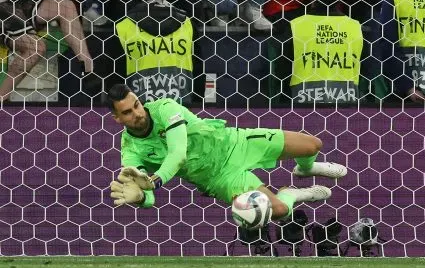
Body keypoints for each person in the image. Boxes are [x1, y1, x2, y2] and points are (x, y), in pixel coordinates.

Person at [106, 84, 347, 223]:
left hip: (235, 142)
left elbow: (178, 153)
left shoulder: (165, 108)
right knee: (280, 210)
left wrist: (155, 181)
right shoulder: (131, 151)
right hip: (219, 178)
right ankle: (291, 193)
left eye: (136, 104)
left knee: (313, 145)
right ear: (117, 118)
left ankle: (305, 168)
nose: (137, 113)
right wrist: (140, 197)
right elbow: (147, 196)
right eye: (127, 112)